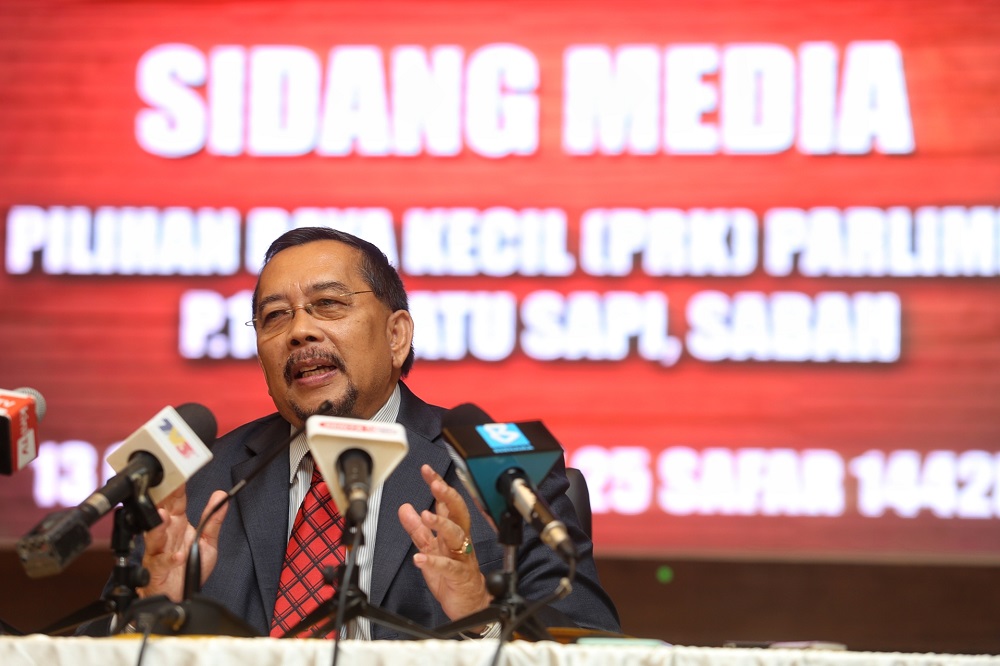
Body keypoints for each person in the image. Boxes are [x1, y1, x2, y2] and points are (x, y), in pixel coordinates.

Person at [134, 226, 620, 639]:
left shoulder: (497, 469)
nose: (299, 331)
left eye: (327, 304)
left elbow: (591, 636)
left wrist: (480, 615)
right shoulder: (196, 482)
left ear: (396, 335)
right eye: (275, 316)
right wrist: (148, 615)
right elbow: (87, 648)